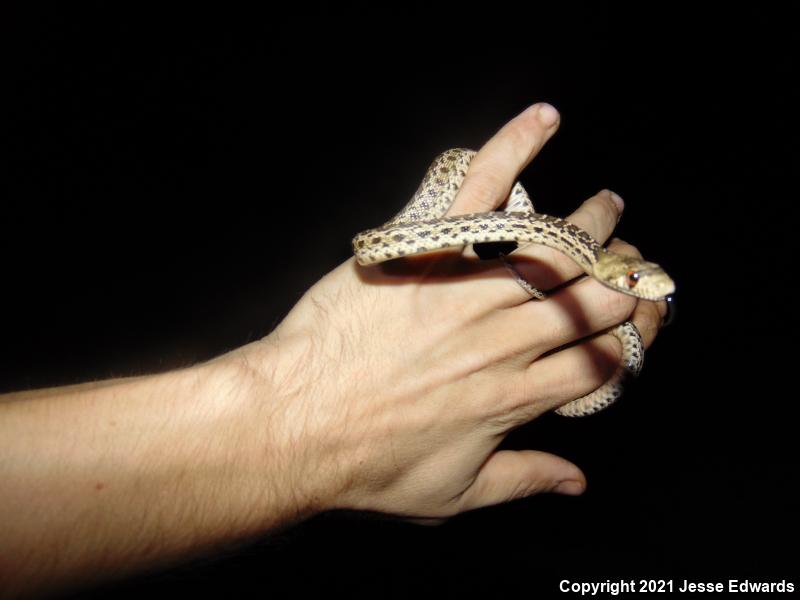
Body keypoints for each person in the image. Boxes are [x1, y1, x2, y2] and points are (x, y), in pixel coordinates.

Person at [0, 103, 668, 596]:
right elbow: (376, 245)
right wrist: (310, 427)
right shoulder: (579, 258)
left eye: (645, 286)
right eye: (636, 283)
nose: (643, 288)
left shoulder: (596, 270)